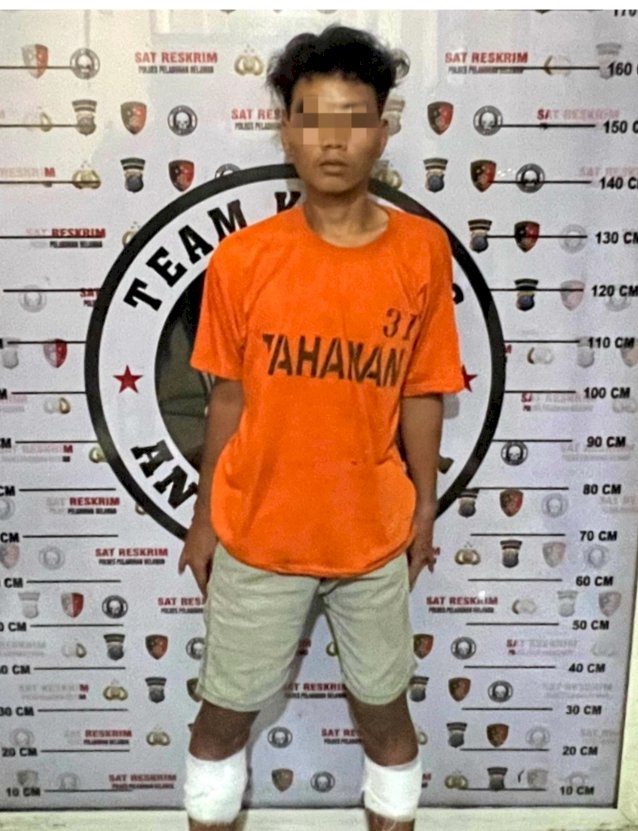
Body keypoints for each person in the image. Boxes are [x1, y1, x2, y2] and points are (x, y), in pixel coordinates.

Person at [178, 24, 464, 831]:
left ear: (384, 129)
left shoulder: (423, 251)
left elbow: (423, 391)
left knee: (386, 718)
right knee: (219, 722)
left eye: (353, 118)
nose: (333, 141)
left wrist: (423, 507)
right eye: (312, 118)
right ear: (285, 131)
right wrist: (204, 520)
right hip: (258, 533)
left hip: (372, 537)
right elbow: (226, 401)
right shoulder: (242, 259)